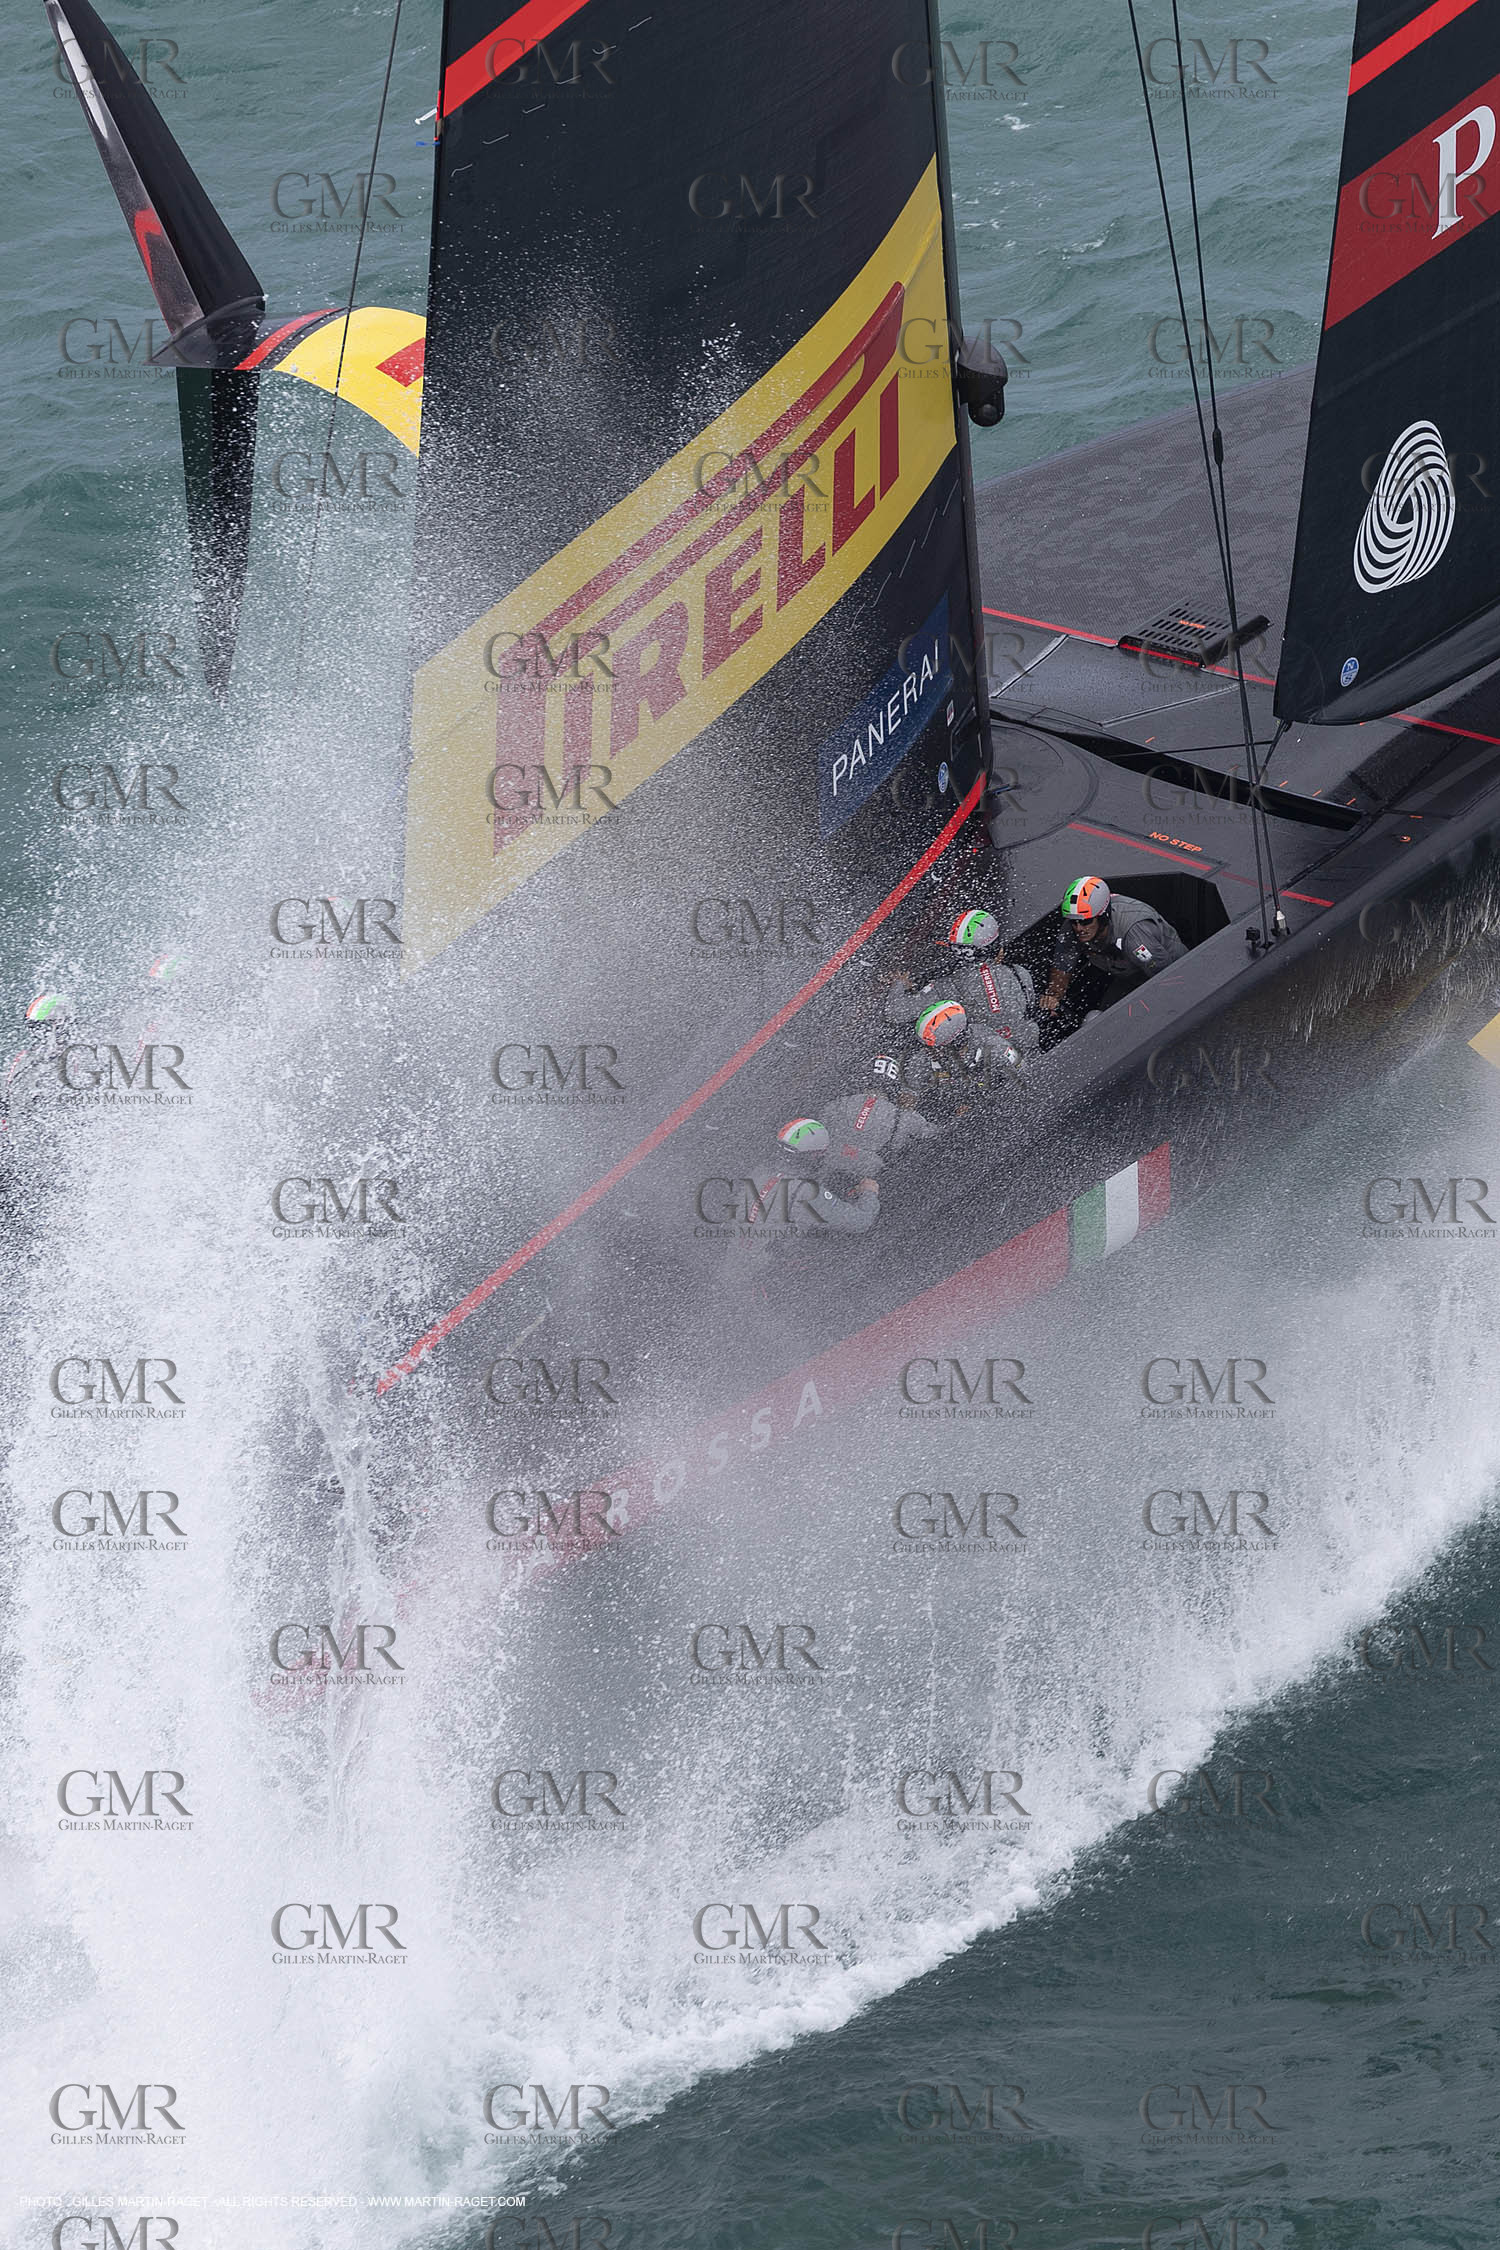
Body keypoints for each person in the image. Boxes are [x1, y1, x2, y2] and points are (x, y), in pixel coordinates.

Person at [886, 909, 1040, 1069]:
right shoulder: (1020, 973)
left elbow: (895, 1012)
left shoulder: (947, 986)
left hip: (984, 1065)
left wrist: (900, 983)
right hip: (1031, 1057)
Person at [1041, 877, 1186, 1017]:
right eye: (1074, 922)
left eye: (1086, 921)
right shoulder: (1072, 929)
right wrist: (1054, 997)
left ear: (1103, 916)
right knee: (1100, 1018)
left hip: (1171, 975)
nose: (1079, 928)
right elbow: (1062, 967)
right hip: (1130, 977)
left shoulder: (1134, 936)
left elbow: (1168, 978)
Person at [819, 1055, 946, 1182]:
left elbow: (818, 1132)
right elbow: (935, 1133)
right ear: (894, 1085)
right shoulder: (903, 1117)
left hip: (828, 1167)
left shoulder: (838, 1104)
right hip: (869, 1177)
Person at [768, 1117, 879, 1235]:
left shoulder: (761, 1172)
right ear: (814, 1155)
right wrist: (869, 1193)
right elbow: (860, 1221)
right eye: (822, 1153)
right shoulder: (806, 1192)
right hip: (776, 1251)